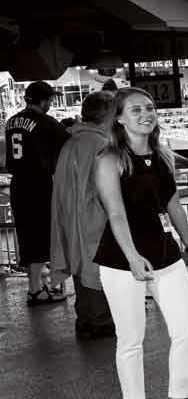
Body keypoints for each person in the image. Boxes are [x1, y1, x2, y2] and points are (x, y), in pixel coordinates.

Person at [93, 88, 188, 399]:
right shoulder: (109, 160)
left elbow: (172, 204)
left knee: (186, 331)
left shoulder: (160, 156)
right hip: (120, 259)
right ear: (120, 118)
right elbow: (115, 213)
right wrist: (131, 257)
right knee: (131, 340)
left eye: (150, 108)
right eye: (136, 109)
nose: (146, 113)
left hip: (165, 254)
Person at [50, 92, 117, 340]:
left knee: (80, 265)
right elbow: (106, 188)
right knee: (98, 268)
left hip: (72, 217)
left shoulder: (71, 143)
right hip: (95, 218)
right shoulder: (99, 145)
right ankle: (100, 320)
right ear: (108, 115)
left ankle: (86, 319)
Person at [5, 81, 69, 305]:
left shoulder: (11, 121)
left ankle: (37, 286)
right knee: (41, 236)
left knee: (26, 234)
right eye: (50, 100)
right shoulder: (46, 122)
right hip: (39, 184)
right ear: (44, 100)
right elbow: (68, 141)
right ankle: (35, 289)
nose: (51, 103)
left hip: (18, 184)